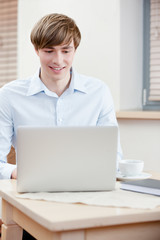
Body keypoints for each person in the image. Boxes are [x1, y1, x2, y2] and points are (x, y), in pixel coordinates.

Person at [0, 13, 122, 179]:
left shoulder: (99, 93)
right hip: (32, 191)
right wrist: (18, 172)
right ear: (36, 50)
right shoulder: (9, 95)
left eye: (66, 51)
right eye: (49, 51)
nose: (58, 60)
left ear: (75, 49)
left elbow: (113, 159)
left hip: (88, 188)